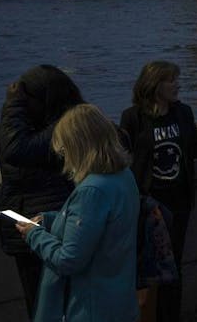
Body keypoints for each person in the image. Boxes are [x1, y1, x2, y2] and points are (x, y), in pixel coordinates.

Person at [16, 104, 140, 322]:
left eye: (64, 150)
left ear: (78, 147)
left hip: (90, 308)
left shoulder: (91, 191)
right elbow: (101, 226)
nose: (64, 158)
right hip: (120, 301)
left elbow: (68, 260)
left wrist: (34, 234)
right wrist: (50, 219)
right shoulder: (123, 176)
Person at [120, 60, 197, 322]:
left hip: (179, 203)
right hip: (148, 204)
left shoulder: (183, 112)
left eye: (177, 79)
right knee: (147, 269)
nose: (177, 85)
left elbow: (194, 151)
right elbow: (124, 160)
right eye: (171, 80)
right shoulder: (133, 117)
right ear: (154, 84)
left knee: (174, 267)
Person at [0, 65, 83, 318]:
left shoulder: (56, 131)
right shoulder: (56, 128)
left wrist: (13, 103)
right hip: (36, 227)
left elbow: (15, 149)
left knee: (45, 307)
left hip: (41, 230)